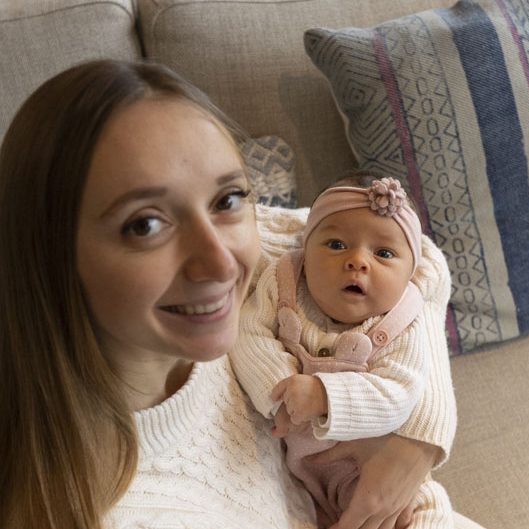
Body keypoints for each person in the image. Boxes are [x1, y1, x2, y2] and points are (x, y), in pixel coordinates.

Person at [0, 59, 476, 529]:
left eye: (227, 199)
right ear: (45, 252)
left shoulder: (261, 261)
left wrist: (420, 433)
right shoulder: (121, 509)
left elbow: (418, 256)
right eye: (145, 225)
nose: (223, 264)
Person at [232, 173, 454, 528]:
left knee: (431, 516)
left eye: (383, 253)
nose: (357, 260)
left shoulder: (403, 319)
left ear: (410, 275)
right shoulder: (283, 281)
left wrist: (324, 395)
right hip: (303, 484)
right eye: (336, 244)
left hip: (390, 485)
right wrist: (279, 390)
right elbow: (249, 334)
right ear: (306, 251)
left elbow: (400, 390)